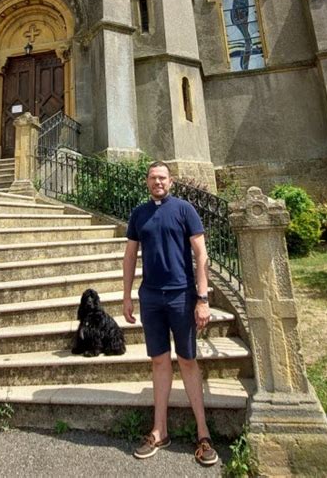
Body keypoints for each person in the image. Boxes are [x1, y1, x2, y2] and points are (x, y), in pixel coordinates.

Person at [123, 160, 218, 467]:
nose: (158, 182)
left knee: (188, 361)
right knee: (159, 361)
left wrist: (202, 298)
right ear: (146, 182)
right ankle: (158, 430)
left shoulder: (184, 210)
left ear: (171, 181)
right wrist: (126, 296)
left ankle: (203, 434)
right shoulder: (139, 213)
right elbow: (129, 257)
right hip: (150, 298)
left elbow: (201, 253)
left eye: (162, 177)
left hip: (181, 296)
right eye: (153, 178)